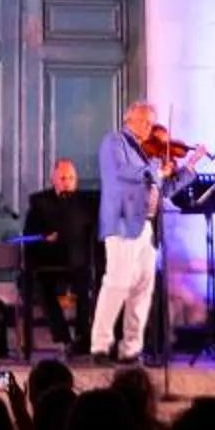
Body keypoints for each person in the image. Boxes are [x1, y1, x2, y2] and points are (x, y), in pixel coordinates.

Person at [89, 100, 173, 361]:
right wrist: (155, 170)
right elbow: (123, 171)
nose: (150, 127)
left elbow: (160, 189)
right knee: (116, 283)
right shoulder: (115, 142)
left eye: (151, 122)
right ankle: (100, 346)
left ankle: (131, 348)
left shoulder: (146, 155)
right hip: (123, 223)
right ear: (130, 120)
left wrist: (185, 171)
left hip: (146, 226)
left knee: (142, 287)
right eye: (145, 121)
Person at [23, 158, 101, 353]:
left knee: (90, 284)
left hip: (79, 262)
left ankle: (84, 338)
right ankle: (64, 337)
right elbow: (29, 235)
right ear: (54, 179)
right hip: (49, 262)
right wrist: (44, 237)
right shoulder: (40, 202)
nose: (67, 182)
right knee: (40, 286)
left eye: (71, 178)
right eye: (63, 177)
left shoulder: (87, 203)